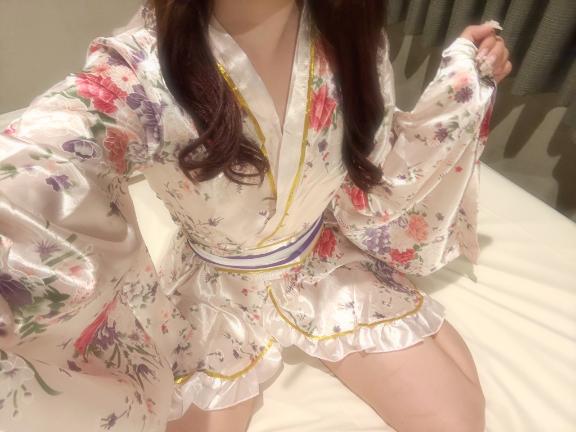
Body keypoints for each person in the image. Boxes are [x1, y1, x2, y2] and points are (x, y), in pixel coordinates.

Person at [0, 1, 511, 431]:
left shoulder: (352, 35)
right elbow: (45, 150)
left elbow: (375, 173)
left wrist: (465, 80)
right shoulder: (139, 72)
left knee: (458, 419)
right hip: (212, 293)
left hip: (321, 262)